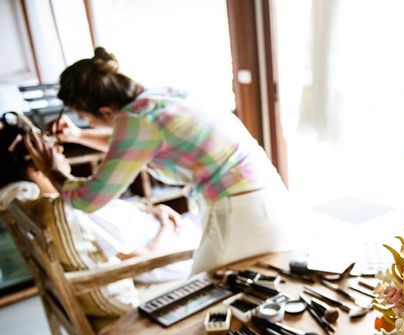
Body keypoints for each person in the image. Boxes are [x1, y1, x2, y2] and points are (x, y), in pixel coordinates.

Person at [27, 47, 298, 275]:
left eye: (85, 118)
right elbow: (130, 145)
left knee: (207, 299)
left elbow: (88, 200)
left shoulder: (134, 121)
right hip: (265, 199)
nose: (86, 124)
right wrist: (78, 135)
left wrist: (52, 170)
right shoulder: (159, 98)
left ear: (106, 110)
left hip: (241, 212)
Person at [0, 112, 200, 283]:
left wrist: (153, 209)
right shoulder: (73, 207)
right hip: (175, 250)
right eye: (51, 147)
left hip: (169, 230)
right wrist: (166, 224)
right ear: (36, 167)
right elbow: (142, 261)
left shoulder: (68, 198)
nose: (60, 149)